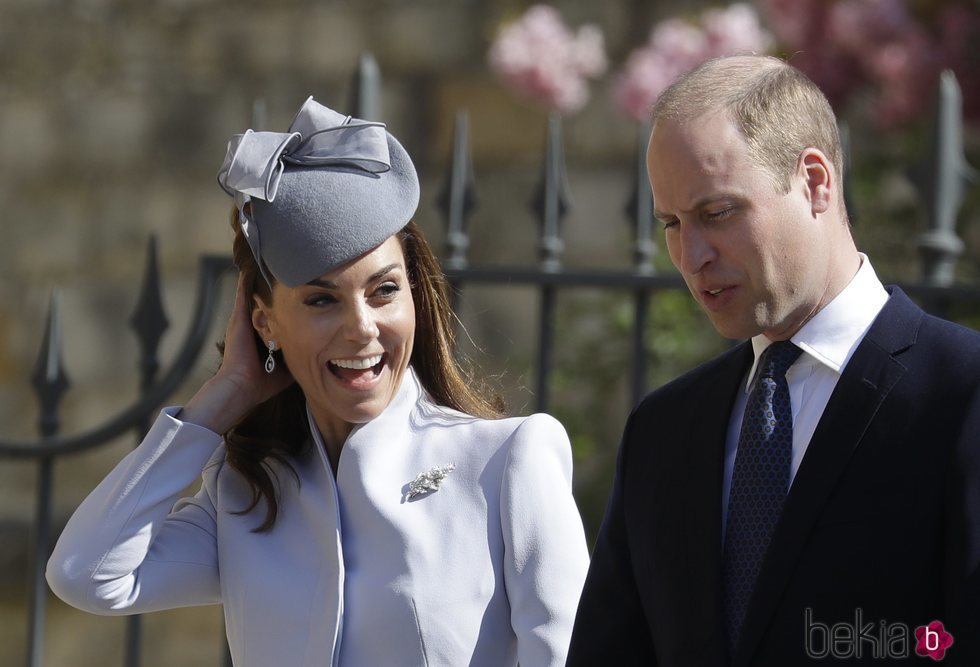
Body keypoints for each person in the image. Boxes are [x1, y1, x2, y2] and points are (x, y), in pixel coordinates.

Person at [46, 97, 590, 667]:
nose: (362, 328)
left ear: (415, 299)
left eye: (383, 291)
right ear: (265, 323)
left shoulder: (507, 460)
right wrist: (226, 395)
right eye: (321, 300)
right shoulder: (244, 493)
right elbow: (87, 574)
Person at [567, 55, 980, 666]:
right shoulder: (663, 430)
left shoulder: (963, 393)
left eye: (717, 212)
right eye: (672, 224)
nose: (692, 255)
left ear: (815, 183)